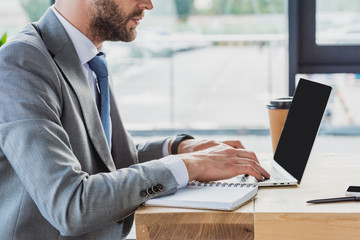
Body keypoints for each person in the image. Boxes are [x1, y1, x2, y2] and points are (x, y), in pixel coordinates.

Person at [0, 0, 270, 239]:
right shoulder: (21, 62)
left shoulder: (89, 59)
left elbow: (109, 162)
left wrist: (178, 148)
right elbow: (70, 204)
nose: (149, 4)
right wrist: (188, 167)